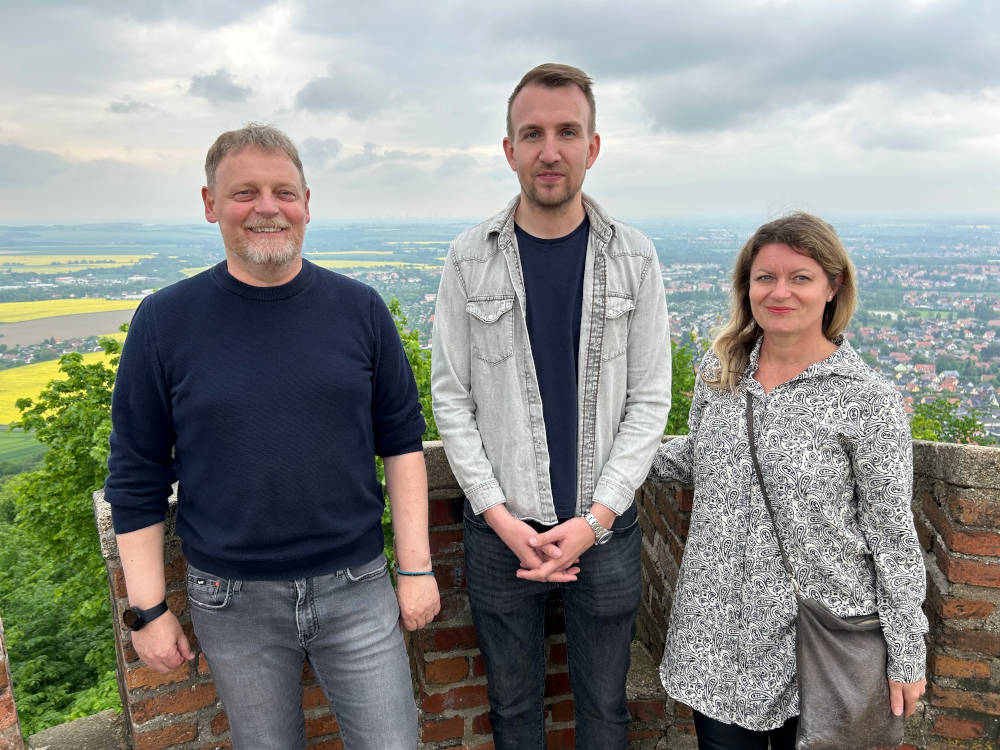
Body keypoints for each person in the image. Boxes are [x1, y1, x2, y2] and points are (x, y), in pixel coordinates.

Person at [104, 123, 440, 750]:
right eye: (244, 192)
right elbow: (136, 473)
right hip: (232, 603)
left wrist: (416, 568)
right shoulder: (165, 321)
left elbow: (401, 443)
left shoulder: (360, 310)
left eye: (284, 191)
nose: (266, 208)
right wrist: (148, 611)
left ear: (307, 203)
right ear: (210, 205)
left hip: (359, 589)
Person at [431, 63, 671, 750]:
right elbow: (451, 397)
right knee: (513, 713)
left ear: (592, 147)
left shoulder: (635, 258)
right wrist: (502, 520)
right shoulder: (468, 259)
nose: (550, 150)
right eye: (531, 134)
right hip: (501, 532)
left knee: (604, 713)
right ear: (509, 150)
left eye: (568, 132)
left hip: (606, 532)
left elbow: (651, 397)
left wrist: (594, 521)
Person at [650, 213, 927, 749]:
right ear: (747, 287)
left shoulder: (867, 401)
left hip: (820, 634)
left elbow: (893, 537)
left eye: (800, 277)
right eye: (765, 278)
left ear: (833, 286)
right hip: (722, 633)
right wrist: (609, 464)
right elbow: (701, 458)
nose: (780, 292)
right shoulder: (722, 369)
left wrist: (907, 654)